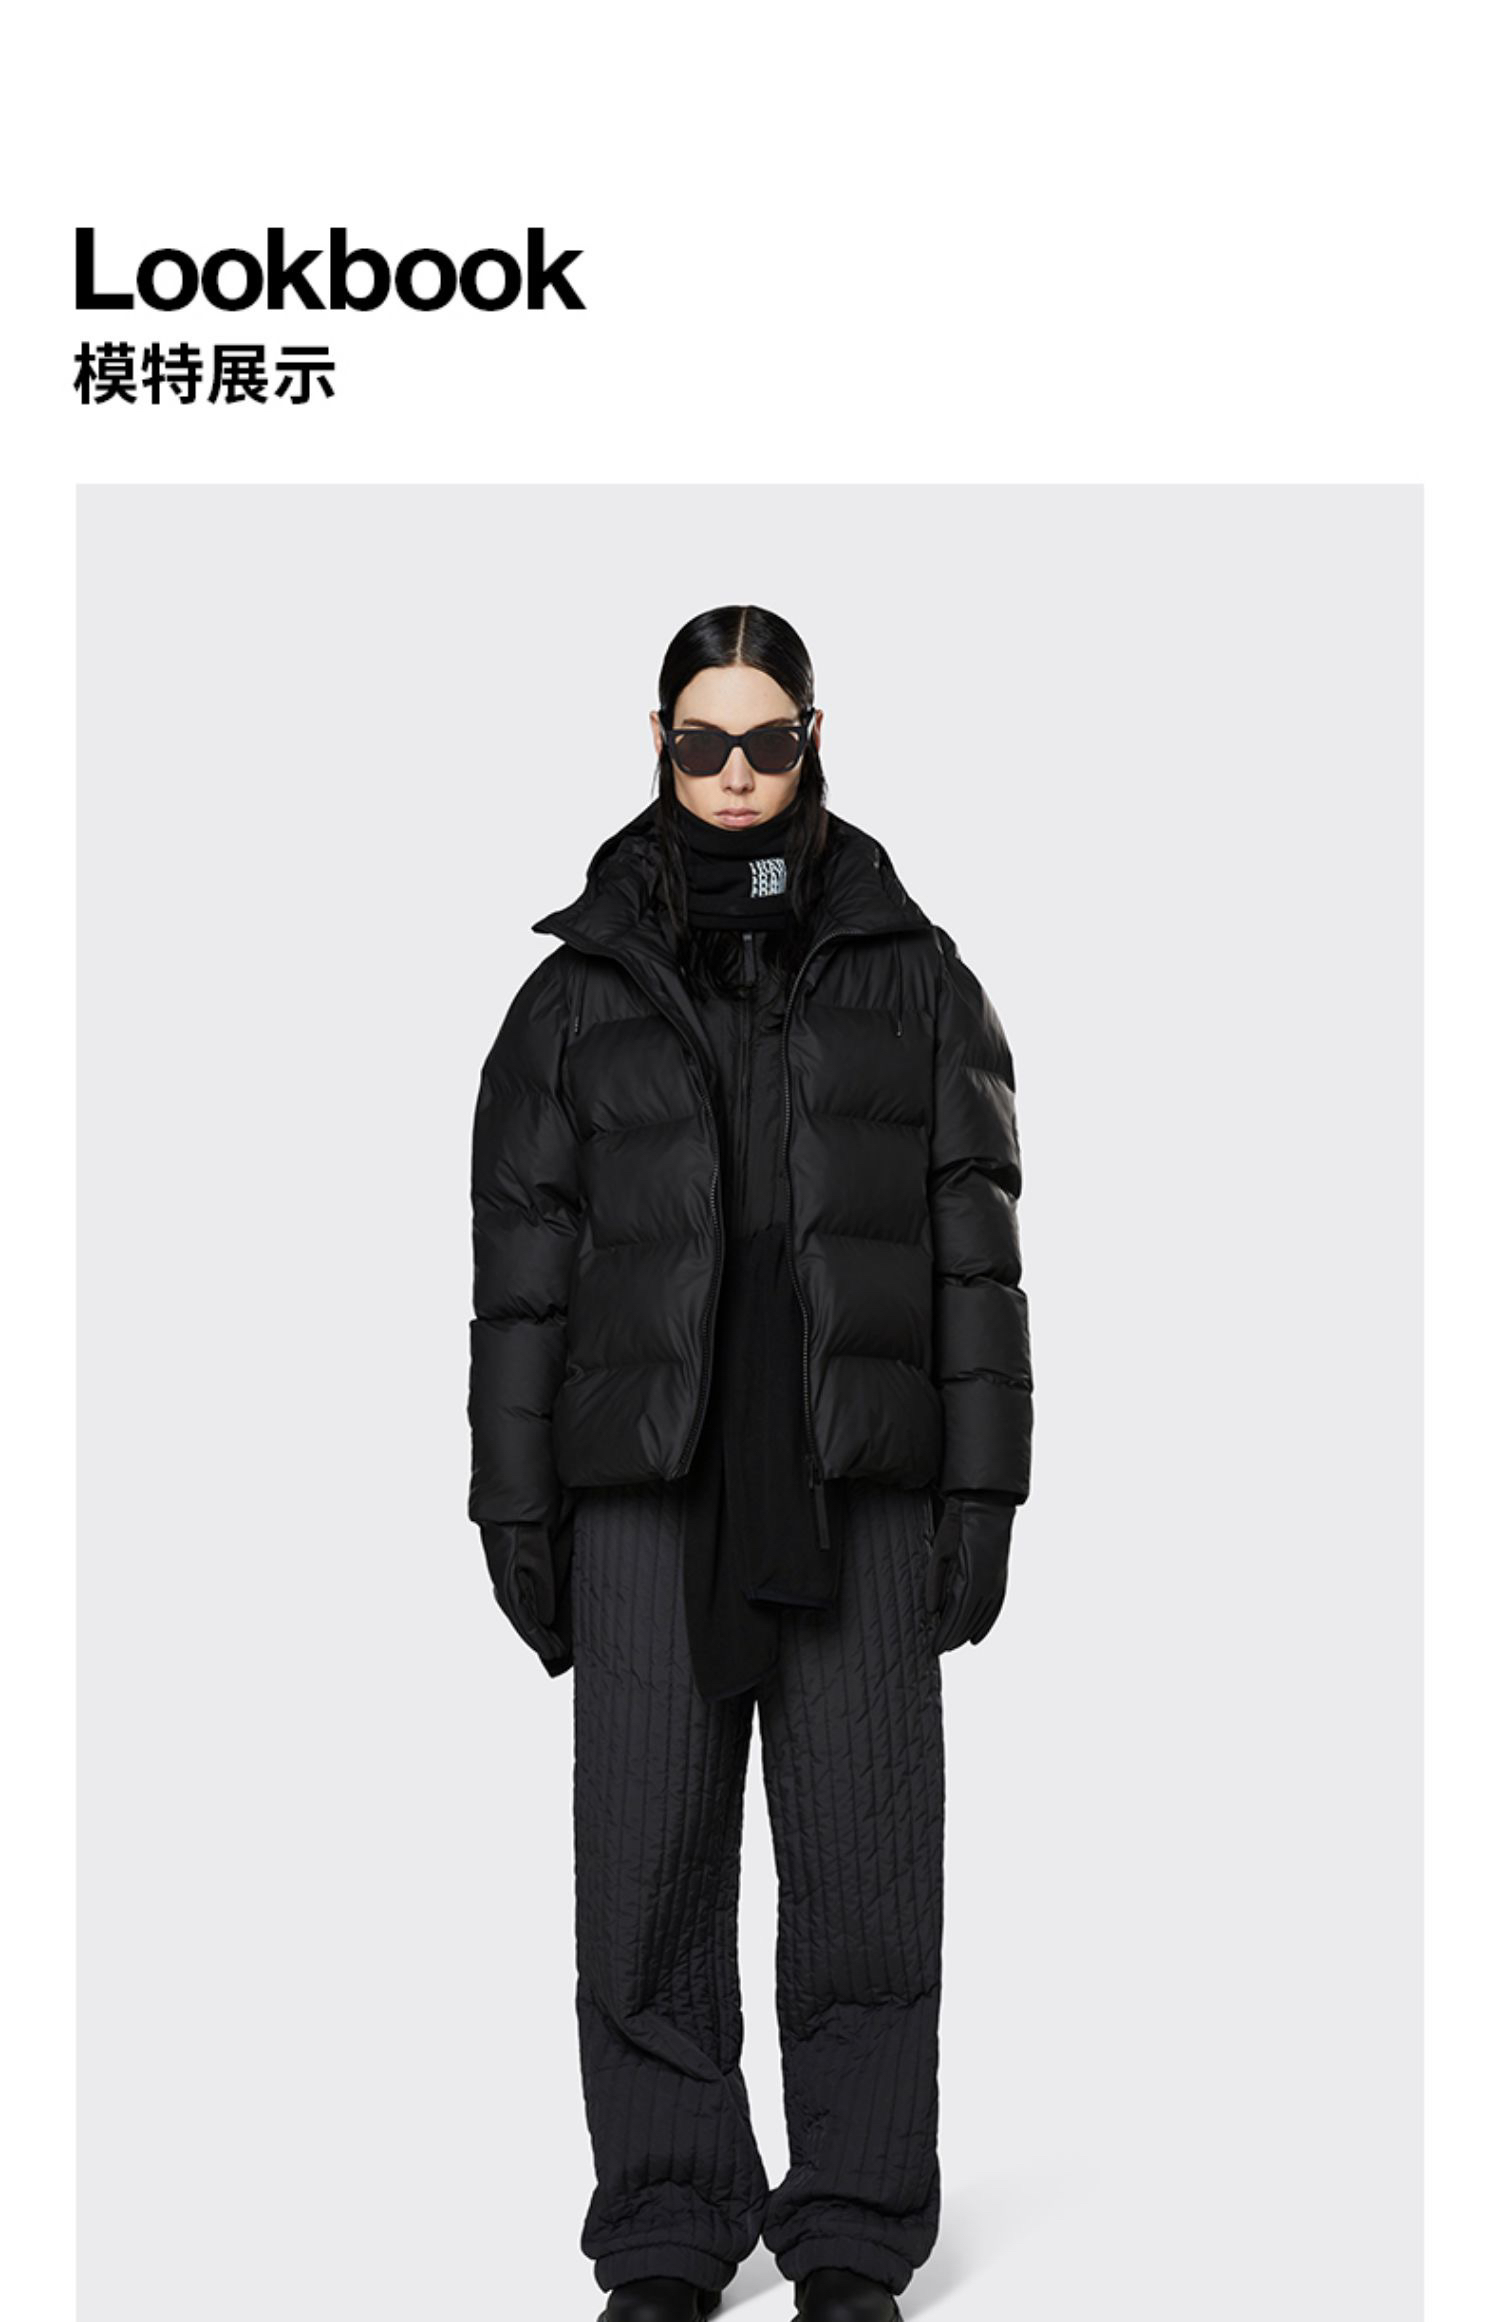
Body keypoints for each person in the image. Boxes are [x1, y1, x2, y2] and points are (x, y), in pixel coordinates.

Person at [467, 605, 1034, 2322]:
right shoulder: (571, 1001)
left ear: (813, 741)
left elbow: (978, 1257)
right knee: (643, 1872)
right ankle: (665, 2221)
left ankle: (853, 2225)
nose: (735, 775)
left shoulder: (917, 979)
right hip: (647, 1492)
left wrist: (986, 1490)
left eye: (766, 741)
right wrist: (513, 1501)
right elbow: (520, 1280)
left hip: (856, 1480)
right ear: (657, 743)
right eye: (703, 742)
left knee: (867, 1874)